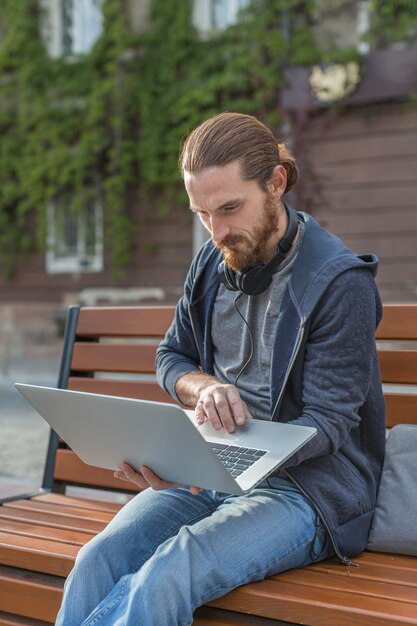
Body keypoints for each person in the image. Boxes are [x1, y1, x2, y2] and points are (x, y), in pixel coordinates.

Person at [55, 112, 385, 626]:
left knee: (167, 575)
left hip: (305, 491)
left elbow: (329, 423)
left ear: (276, 182)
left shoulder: (340, 283)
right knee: (96, 561)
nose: (218, 231)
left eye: (230, 208)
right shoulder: (211, 261)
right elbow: (172, 358)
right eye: (202, 213)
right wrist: (201, 390)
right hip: (210, 472)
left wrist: (232, 460)